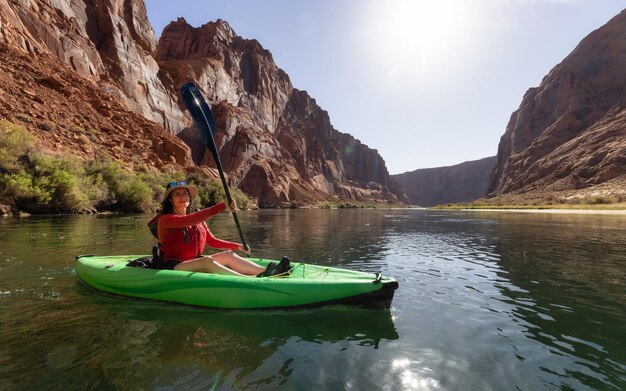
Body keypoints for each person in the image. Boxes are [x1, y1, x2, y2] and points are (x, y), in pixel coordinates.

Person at [149, 180, 288, 277]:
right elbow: (188, 220)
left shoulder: (198, 221)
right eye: (177, 194)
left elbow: (212, 241)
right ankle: (247, 280)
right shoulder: (166, 220)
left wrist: (237, 246)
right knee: (207, 261)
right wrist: (222, 206)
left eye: (184, 194)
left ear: (189, 198)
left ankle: (271, 271)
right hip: (173, 266)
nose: (182, 197)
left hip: (193, 261)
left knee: (228, 254)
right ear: (170, 200)